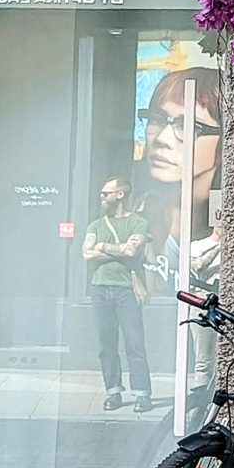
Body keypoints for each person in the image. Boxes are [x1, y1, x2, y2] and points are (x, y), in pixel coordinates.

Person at [136, 65, 223, 285]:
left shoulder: (225, 225)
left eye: (188, 126)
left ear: (225, 140)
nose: (163, 139)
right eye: (157, 119)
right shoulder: (137, 209)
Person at [83, 176, 153, 413]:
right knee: (106, 343)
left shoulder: (138, 223)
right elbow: (87, 254)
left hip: (126, 289)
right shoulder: (95, 225)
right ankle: (113, 391)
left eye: (106, 193)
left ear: (120, 195)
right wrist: (118, 250)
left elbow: (133, 250)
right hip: (100, 287)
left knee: (135, 343)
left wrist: (103, 247)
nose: (102, 197)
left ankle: (142, 393)